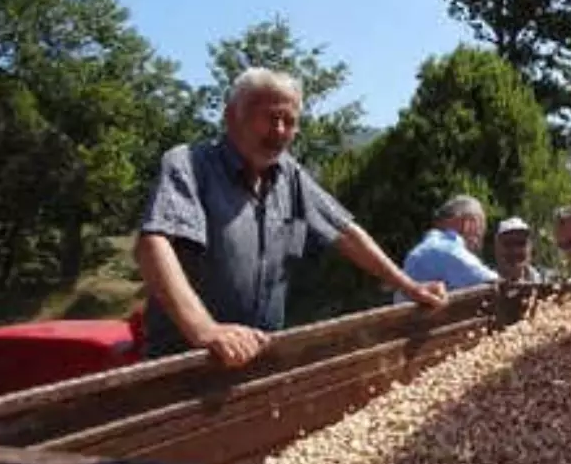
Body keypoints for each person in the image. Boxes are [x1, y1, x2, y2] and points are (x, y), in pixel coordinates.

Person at [134, 68, 445, 368]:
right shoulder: (190, 164)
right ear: (232, 116)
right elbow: (154, 243)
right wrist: (206, 330)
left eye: (290, 121)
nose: (280, 130)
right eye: (270, 118)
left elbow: (345, 231)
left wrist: (409, 286)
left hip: (257, 357)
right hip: (185, 364)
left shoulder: (289, 174)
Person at [396, 195, 499, 303]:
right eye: (480, 230)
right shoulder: (447, 249)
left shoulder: (420, 250)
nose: (479, 243)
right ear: (467, 223)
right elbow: (495, 282)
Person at [494, 217, 544, 283]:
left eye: (521, 243)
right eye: (508, 244)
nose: (515, 251)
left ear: (530, 247)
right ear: (497, 248)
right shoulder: (484, 283)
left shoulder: (545, 281)